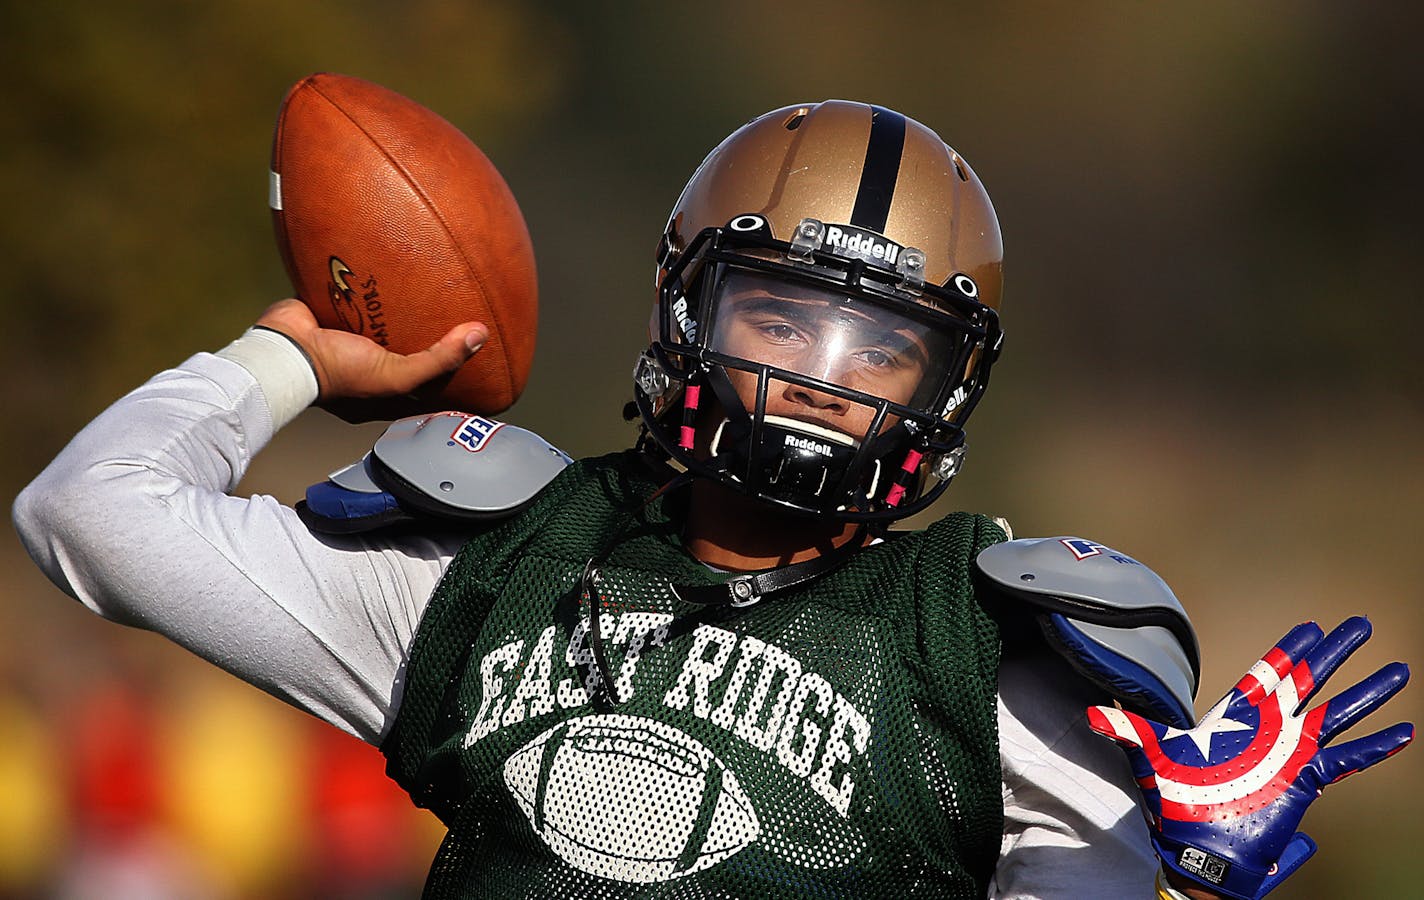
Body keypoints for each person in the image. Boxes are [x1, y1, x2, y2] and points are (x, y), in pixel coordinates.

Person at [14, 100, 1411, 899]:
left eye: (884, 349)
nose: (822, 379)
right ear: (683, 307)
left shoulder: (989, 660)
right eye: (782, 320)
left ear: (949, 390)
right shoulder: (487, 564)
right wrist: (288, 361)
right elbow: (90, 515)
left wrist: (1161, 872)